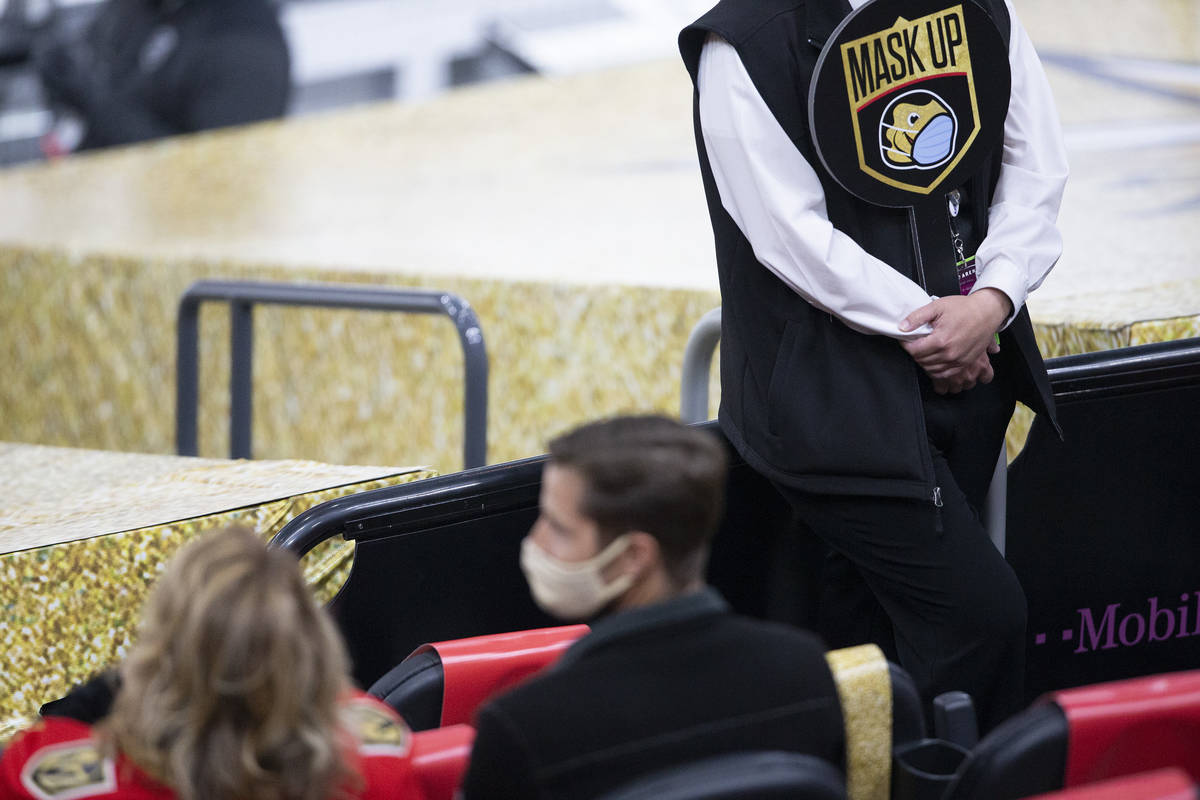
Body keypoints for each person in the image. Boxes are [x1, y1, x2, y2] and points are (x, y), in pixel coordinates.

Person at [678, 0, 1069, 731]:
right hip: (828, 403)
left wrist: (991, 297)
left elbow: (1035, 162)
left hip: (967, 373)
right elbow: (789, 236)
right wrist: (930, 325)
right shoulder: (746, 42)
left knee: (866, 640)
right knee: (980, 618)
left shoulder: (978, 8)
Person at [460, 415, 844, 799]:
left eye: (558, 528)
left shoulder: (523, 729)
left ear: (633, 557)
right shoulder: (804, 670)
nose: (535, 540)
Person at [0, 527, 421, 800]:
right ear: (315, 648)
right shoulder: (378, 760)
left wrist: (118, 692)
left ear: (158, 655)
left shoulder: (40, 777)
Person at [33, 0, 289, 154]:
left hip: (179, 228)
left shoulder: (245, 41)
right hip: (98, 195)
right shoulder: (144, 8)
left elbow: (210, 177)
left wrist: (93, 104)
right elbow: (96, 54)